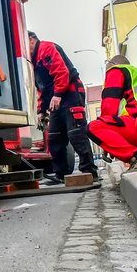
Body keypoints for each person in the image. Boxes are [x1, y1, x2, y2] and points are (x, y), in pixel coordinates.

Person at [27, 31, 98, 182]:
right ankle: (61, 174)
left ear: (32, 40)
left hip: (70, 93)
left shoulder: (46, 49)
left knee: (76, 132)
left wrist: (58, 94)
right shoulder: (33, 62)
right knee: (54, 137)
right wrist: (41, 111)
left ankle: (89, 171)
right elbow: (42, 89)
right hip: (56, 97)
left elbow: (61, 73)